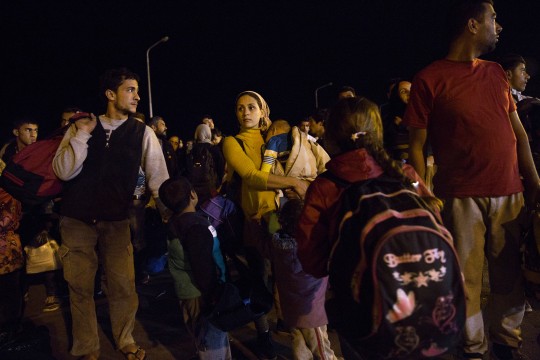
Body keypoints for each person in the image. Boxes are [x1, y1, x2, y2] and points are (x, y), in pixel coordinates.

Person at [403, 1, 539, 358]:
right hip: (460, 197)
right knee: (466, 280)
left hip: (510, 193)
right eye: (494, 18)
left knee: (509, 279)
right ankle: (473, 348)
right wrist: (423, 193)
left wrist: (535, 184)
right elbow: (416, 146)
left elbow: (520, 135)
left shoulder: (496, 73)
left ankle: (506, 343)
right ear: (472, 25)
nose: (500, 25)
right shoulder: (429, 79)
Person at [295, 97, 434, 359]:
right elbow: (435, 221)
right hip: (418, 298)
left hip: (358, 312)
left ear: (332, 136)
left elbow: (312, 261)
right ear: (377, 131)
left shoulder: (325, 187)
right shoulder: (405, 174)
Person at [53, 67, 169, 360]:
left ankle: (125, 338)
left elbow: (158, 177)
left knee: (122, 286)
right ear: (110, 94)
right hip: (76, 219)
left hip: (117, 221)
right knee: (80, 287)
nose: (137, 97)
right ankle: (87, 347)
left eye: (136, 91)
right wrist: (80, 135)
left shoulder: (142, 132)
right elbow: (63, 171)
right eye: (130, 90)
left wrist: (170, 215)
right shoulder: (81, 126)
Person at [222, 90, 309, 360]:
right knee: (259, 281)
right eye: (240, 108)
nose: (245, 112)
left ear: (262, 110)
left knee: (290, 280)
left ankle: (299, 339)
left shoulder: (276, 136)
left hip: (284, 218)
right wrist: (294, 184)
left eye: (251, 107)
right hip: (257, 221)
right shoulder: (231, 141)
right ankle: (264, 336)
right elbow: (251, 176)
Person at [159, 177, 231, 360]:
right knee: (210, 339)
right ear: (193, 194)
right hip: (200, 294)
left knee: (200, 336)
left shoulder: (175, 223)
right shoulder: (196, 227)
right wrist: (214, 294)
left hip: (187, 291)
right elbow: (203, 267)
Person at [270, 198, 339, 360]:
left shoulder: (278, 246)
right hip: (310, 311)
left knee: (299, 342)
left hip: (290, 308)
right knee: (321, 348)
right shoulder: (310, 250)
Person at [186, 123, 225, 206]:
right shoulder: (214, 149)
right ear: (208, 134)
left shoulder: (191, 151)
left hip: (194, 188)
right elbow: (221, 169)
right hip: (211, 188)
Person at [382, 79, 412, 162]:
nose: (410, 94)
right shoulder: (387, 117)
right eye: (403, 91)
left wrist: (404, 126)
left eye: (412, 90)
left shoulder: (424, 114)